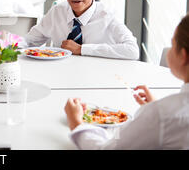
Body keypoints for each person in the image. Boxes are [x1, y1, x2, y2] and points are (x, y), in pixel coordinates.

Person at [65, 13, 189, 149]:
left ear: (183, 56)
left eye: (172, 44)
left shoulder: (162, 114)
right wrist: (155, 109)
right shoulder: (165, 113)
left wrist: (76, 123)